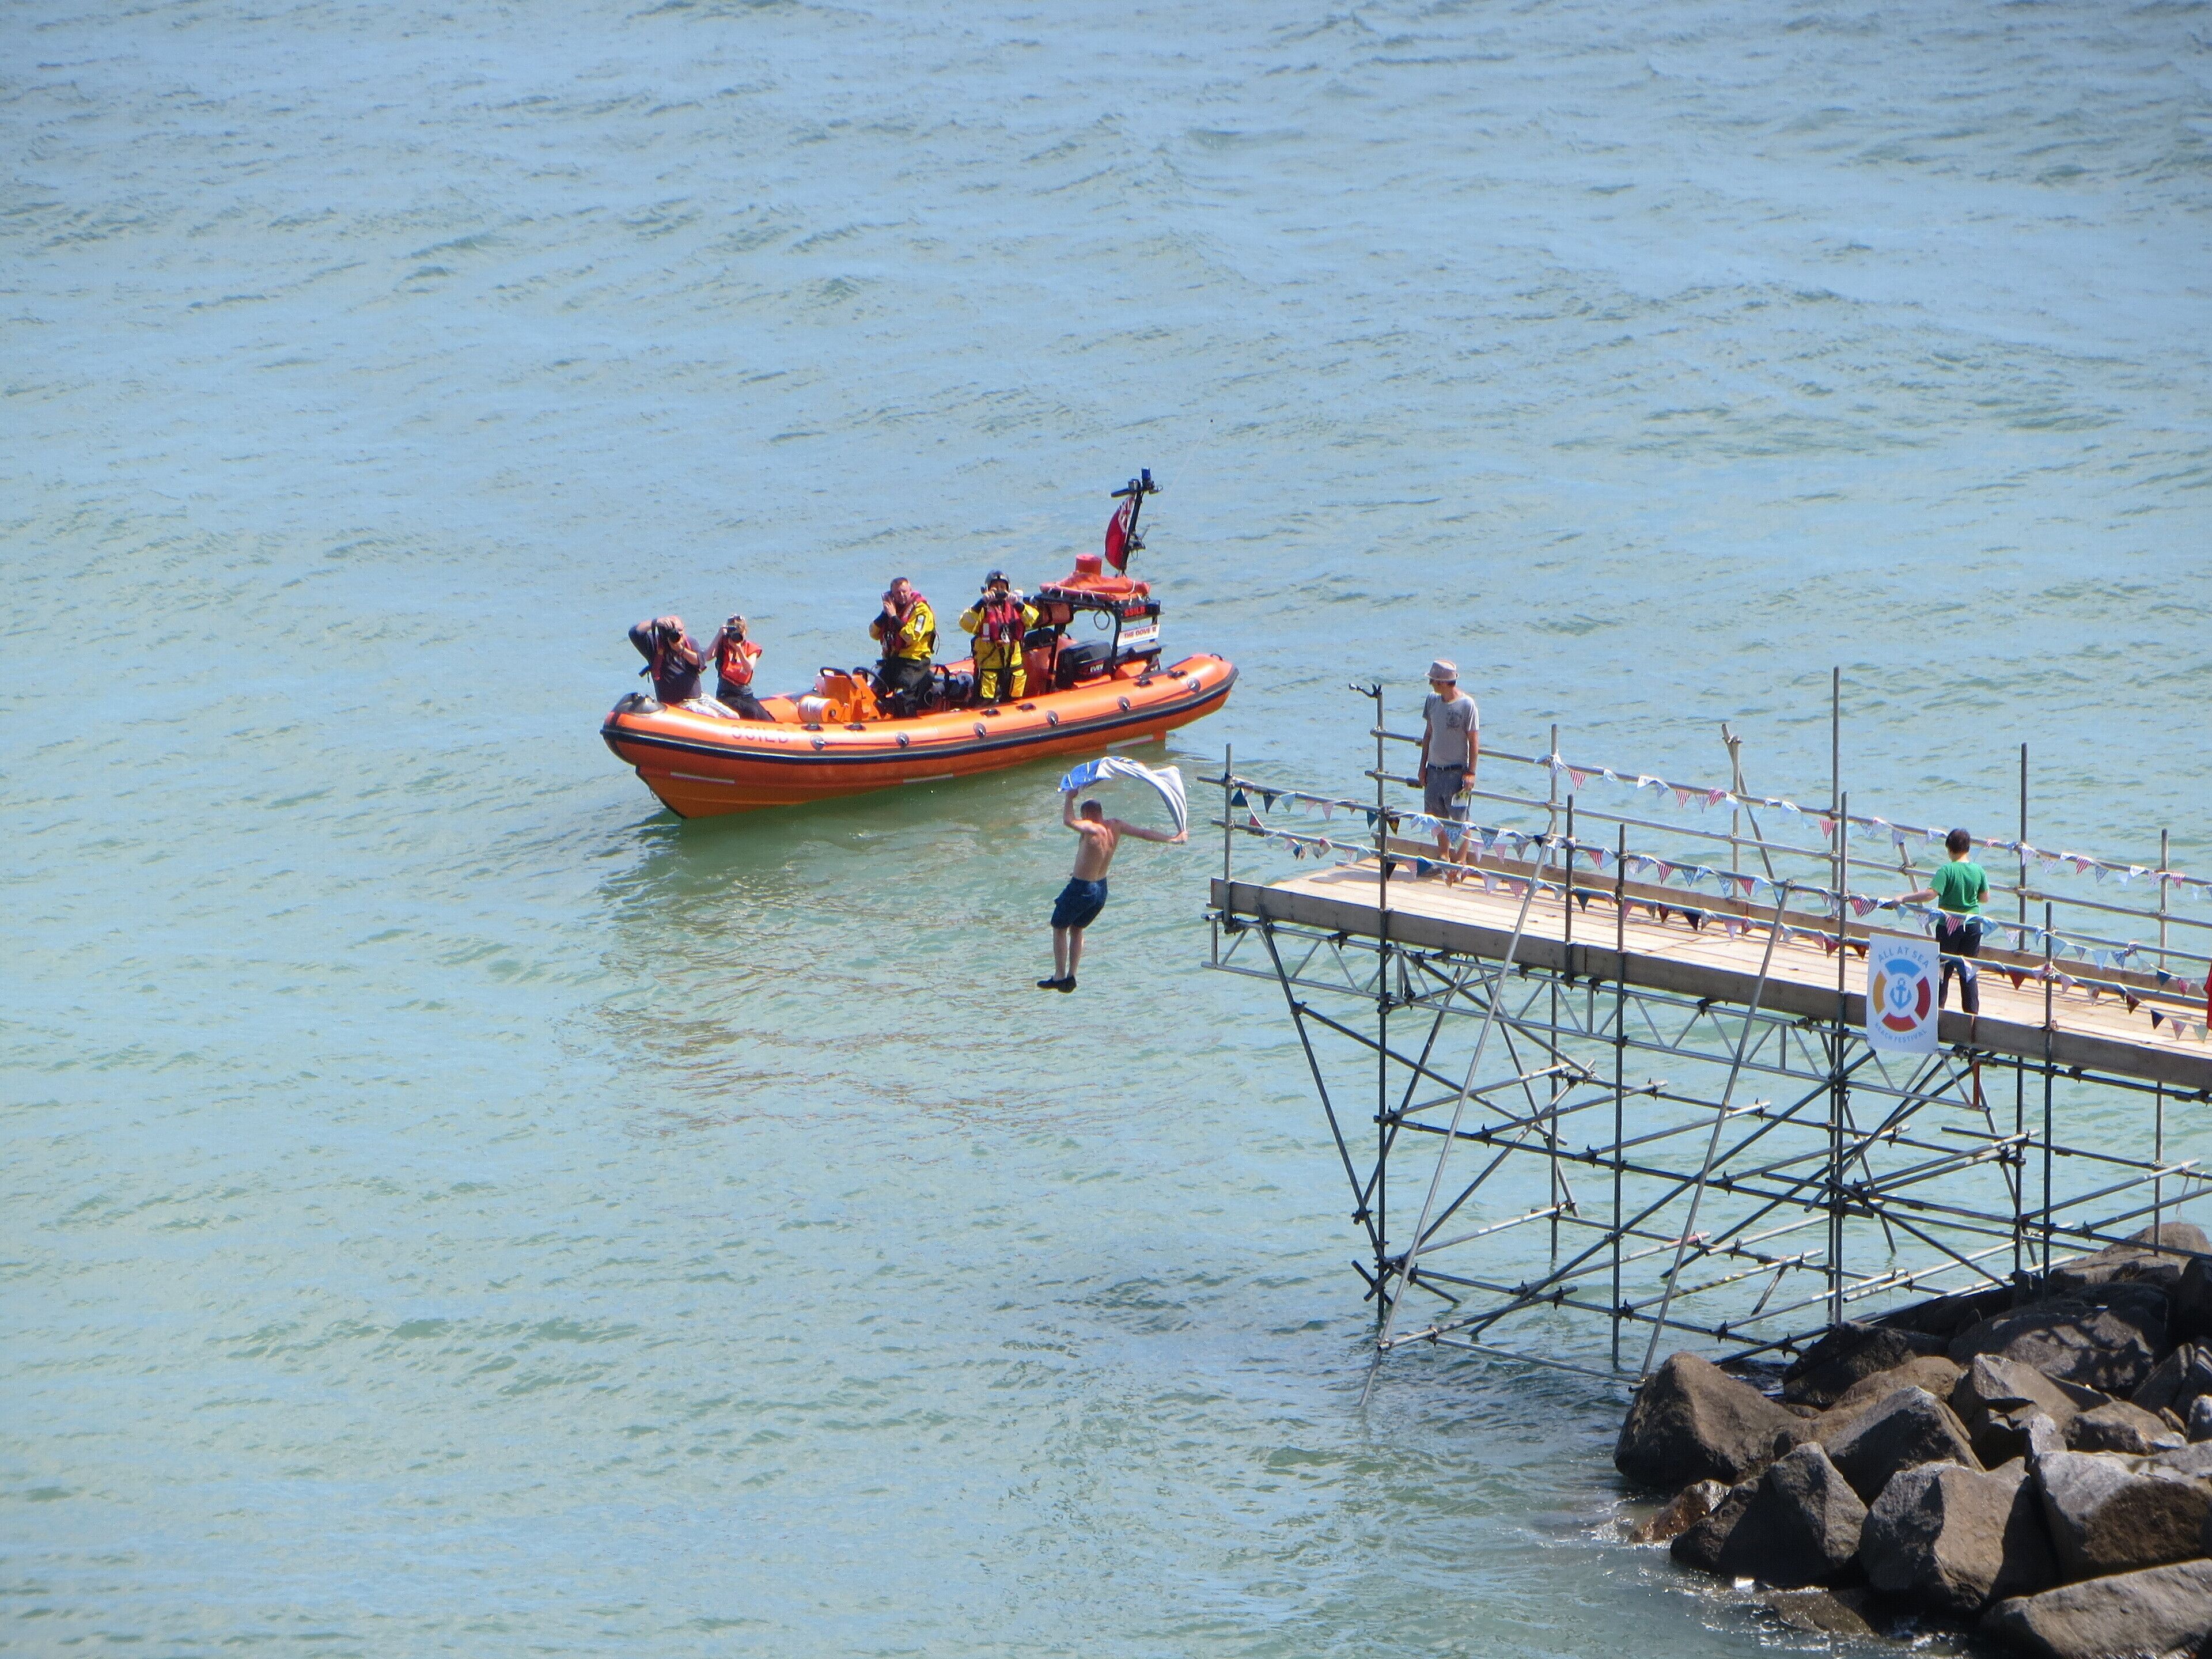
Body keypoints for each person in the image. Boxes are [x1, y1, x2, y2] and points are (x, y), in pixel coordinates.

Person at [1037, 788, 1185, 993]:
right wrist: (1173, 838)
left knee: (1059, 927)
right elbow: (1144, 834)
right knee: (1077, 928)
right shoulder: (1115, 826)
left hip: (1082, 887)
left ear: (1087, 815)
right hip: (1101, 890)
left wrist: (1069, 798)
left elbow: (1068, 820)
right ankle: (1072, 975)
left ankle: (1059, 976)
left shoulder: (1091, 828)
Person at [1889, 827, 1988, 1020]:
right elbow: (1984, 898)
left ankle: (1938, 1010)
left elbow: (1930, 894)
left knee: (1943, 969)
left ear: (1949, 849)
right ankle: (1972, 1015)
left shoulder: (1947, 870)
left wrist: (1903, 898)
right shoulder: (1979, 870)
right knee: (1968, 971)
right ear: (1968, 848)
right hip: (1973, 925)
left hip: (1949, 925)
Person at [1419, 658, 1480, 880]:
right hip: (1434, 769)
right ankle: (1444, 858)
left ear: (1445, 682)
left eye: (1434, 680)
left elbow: (1474, 741)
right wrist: (1422, 767)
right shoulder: (1432, 701)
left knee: (1461, 818)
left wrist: (1471, 772)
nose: (1431, 684)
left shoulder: (1467, 705)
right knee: (1436, 816)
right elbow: (1428, 735)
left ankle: (1461, 862)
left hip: (1457, 771)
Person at [957, 570, 1039, 703]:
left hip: (1013, 664)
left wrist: (1018, 604)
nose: (999, 591)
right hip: (989, 665)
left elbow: (1033, 618)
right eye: (995, 587)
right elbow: (966, 623)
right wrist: (980, 604)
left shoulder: (1016, 608)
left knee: (1014, 699)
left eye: (1003, 587)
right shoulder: (982, 610)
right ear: (988, 589)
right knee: (985, 701)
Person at [869, 577, 937, 711]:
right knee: (875, 689)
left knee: (904, 694)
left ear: (910, 590)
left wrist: (894, 617)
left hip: (914, 660)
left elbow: (911, 637)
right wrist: (885, 614)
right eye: (897, 593)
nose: (901, 596)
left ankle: (909, 721)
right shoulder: (891, 610)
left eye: (904, 592)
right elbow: (873, 633)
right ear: (892, 595)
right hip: (894, 660)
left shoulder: (921, 611)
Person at [628, 615, 707, 705]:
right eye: (673, 632)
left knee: (722, 714)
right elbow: (634, 633)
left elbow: (699, 662)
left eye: (680, 631)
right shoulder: (655, 645)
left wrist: (681, 650)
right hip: (671, 706)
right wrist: (656, 622)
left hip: (696, 700)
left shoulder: (690, 642)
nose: (677, 635)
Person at [711, 615, 769, 720]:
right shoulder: (723, 646)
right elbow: (708, 657)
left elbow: (748, 668)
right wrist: (719, 635)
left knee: (768, 720)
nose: (738, 638)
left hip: (746, 695)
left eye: (741, 634)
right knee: (751, 712)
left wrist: (739, 649)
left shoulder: (750, 648)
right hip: (727, 695)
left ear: (745, 632)